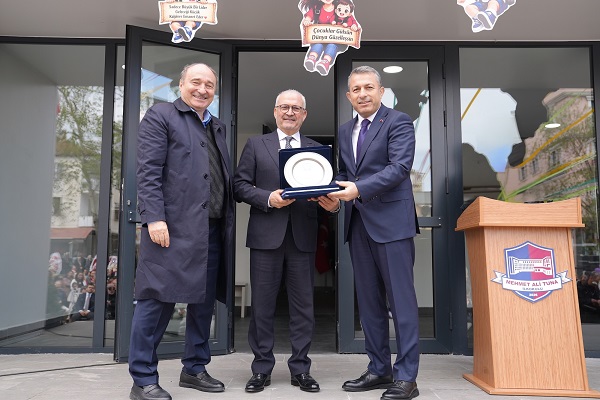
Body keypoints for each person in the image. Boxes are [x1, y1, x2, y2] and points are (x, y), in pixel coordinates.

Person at [128, 63, 234, 400]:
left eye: (209, 84)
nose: (203, 89)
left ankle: (194, 369)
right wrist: (154, 218)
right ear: (181, 84)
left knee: (202, 304)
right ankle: (143, 379)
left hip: (211, 229)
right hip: (169, 230)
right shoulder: (161, 115)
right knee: (156, 302)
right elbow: (148, 171)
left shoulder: (217, 126)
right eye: (196, 82)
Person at [233, 89, 340, 394]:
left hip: (303, 237)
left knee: (304, 308)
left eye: (296, 108)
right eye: (284, 107)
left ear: (304, 115)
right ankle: (261, 369)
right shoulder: (256, 145)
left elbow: (329, 191)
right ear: (276, 111)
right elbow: (239, 185)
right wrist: (268, 197)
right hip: (265, 236)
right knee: (262, 307)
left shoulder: (318, 150)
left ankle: (301, 369)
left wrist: (333, 205)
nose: (290, 112)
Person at [327, 65, 420, 400]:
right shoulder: (344, 130)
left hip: (392, 225)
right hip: (358, 224)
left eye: (369, 87)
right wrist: (329, 193)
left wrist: (358, 189)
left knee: (401, 303)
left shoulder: (398, 121)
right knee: (369, 304)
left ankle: (407, 377)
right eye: (356, 89)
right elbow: (344, 173)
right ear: (348, 95)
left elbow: (400, 168)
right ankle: (380, 369)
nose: (362, 94)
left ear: (381, 91)